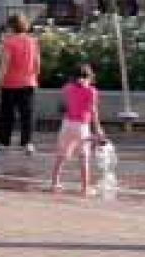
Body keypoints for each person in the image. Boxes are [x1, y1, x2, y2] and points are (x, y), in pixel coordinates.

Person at [51, 64, 106, 196]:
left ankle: (55, 183)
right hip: (82, 126)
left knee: (61, 155)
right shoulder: (91, 91)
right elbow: (93, 111)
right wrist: (98, 129)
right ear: (90, 76)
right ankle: (85, 188)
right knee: (83, 157)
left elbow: (62, 106)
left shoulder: (67, 88)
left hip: (67, 124)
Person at [0, 14, 40, 154]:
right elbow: (37, 64)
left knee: (6, 114)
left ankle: (3, 142)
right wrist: (34, 77)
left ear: (11, 26)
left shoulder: (9, 42)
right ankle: (27, 143)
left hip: (10, 84)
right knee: (27, 115)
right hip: (28, 83)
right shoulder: (33, 41)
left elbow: (4, 66)